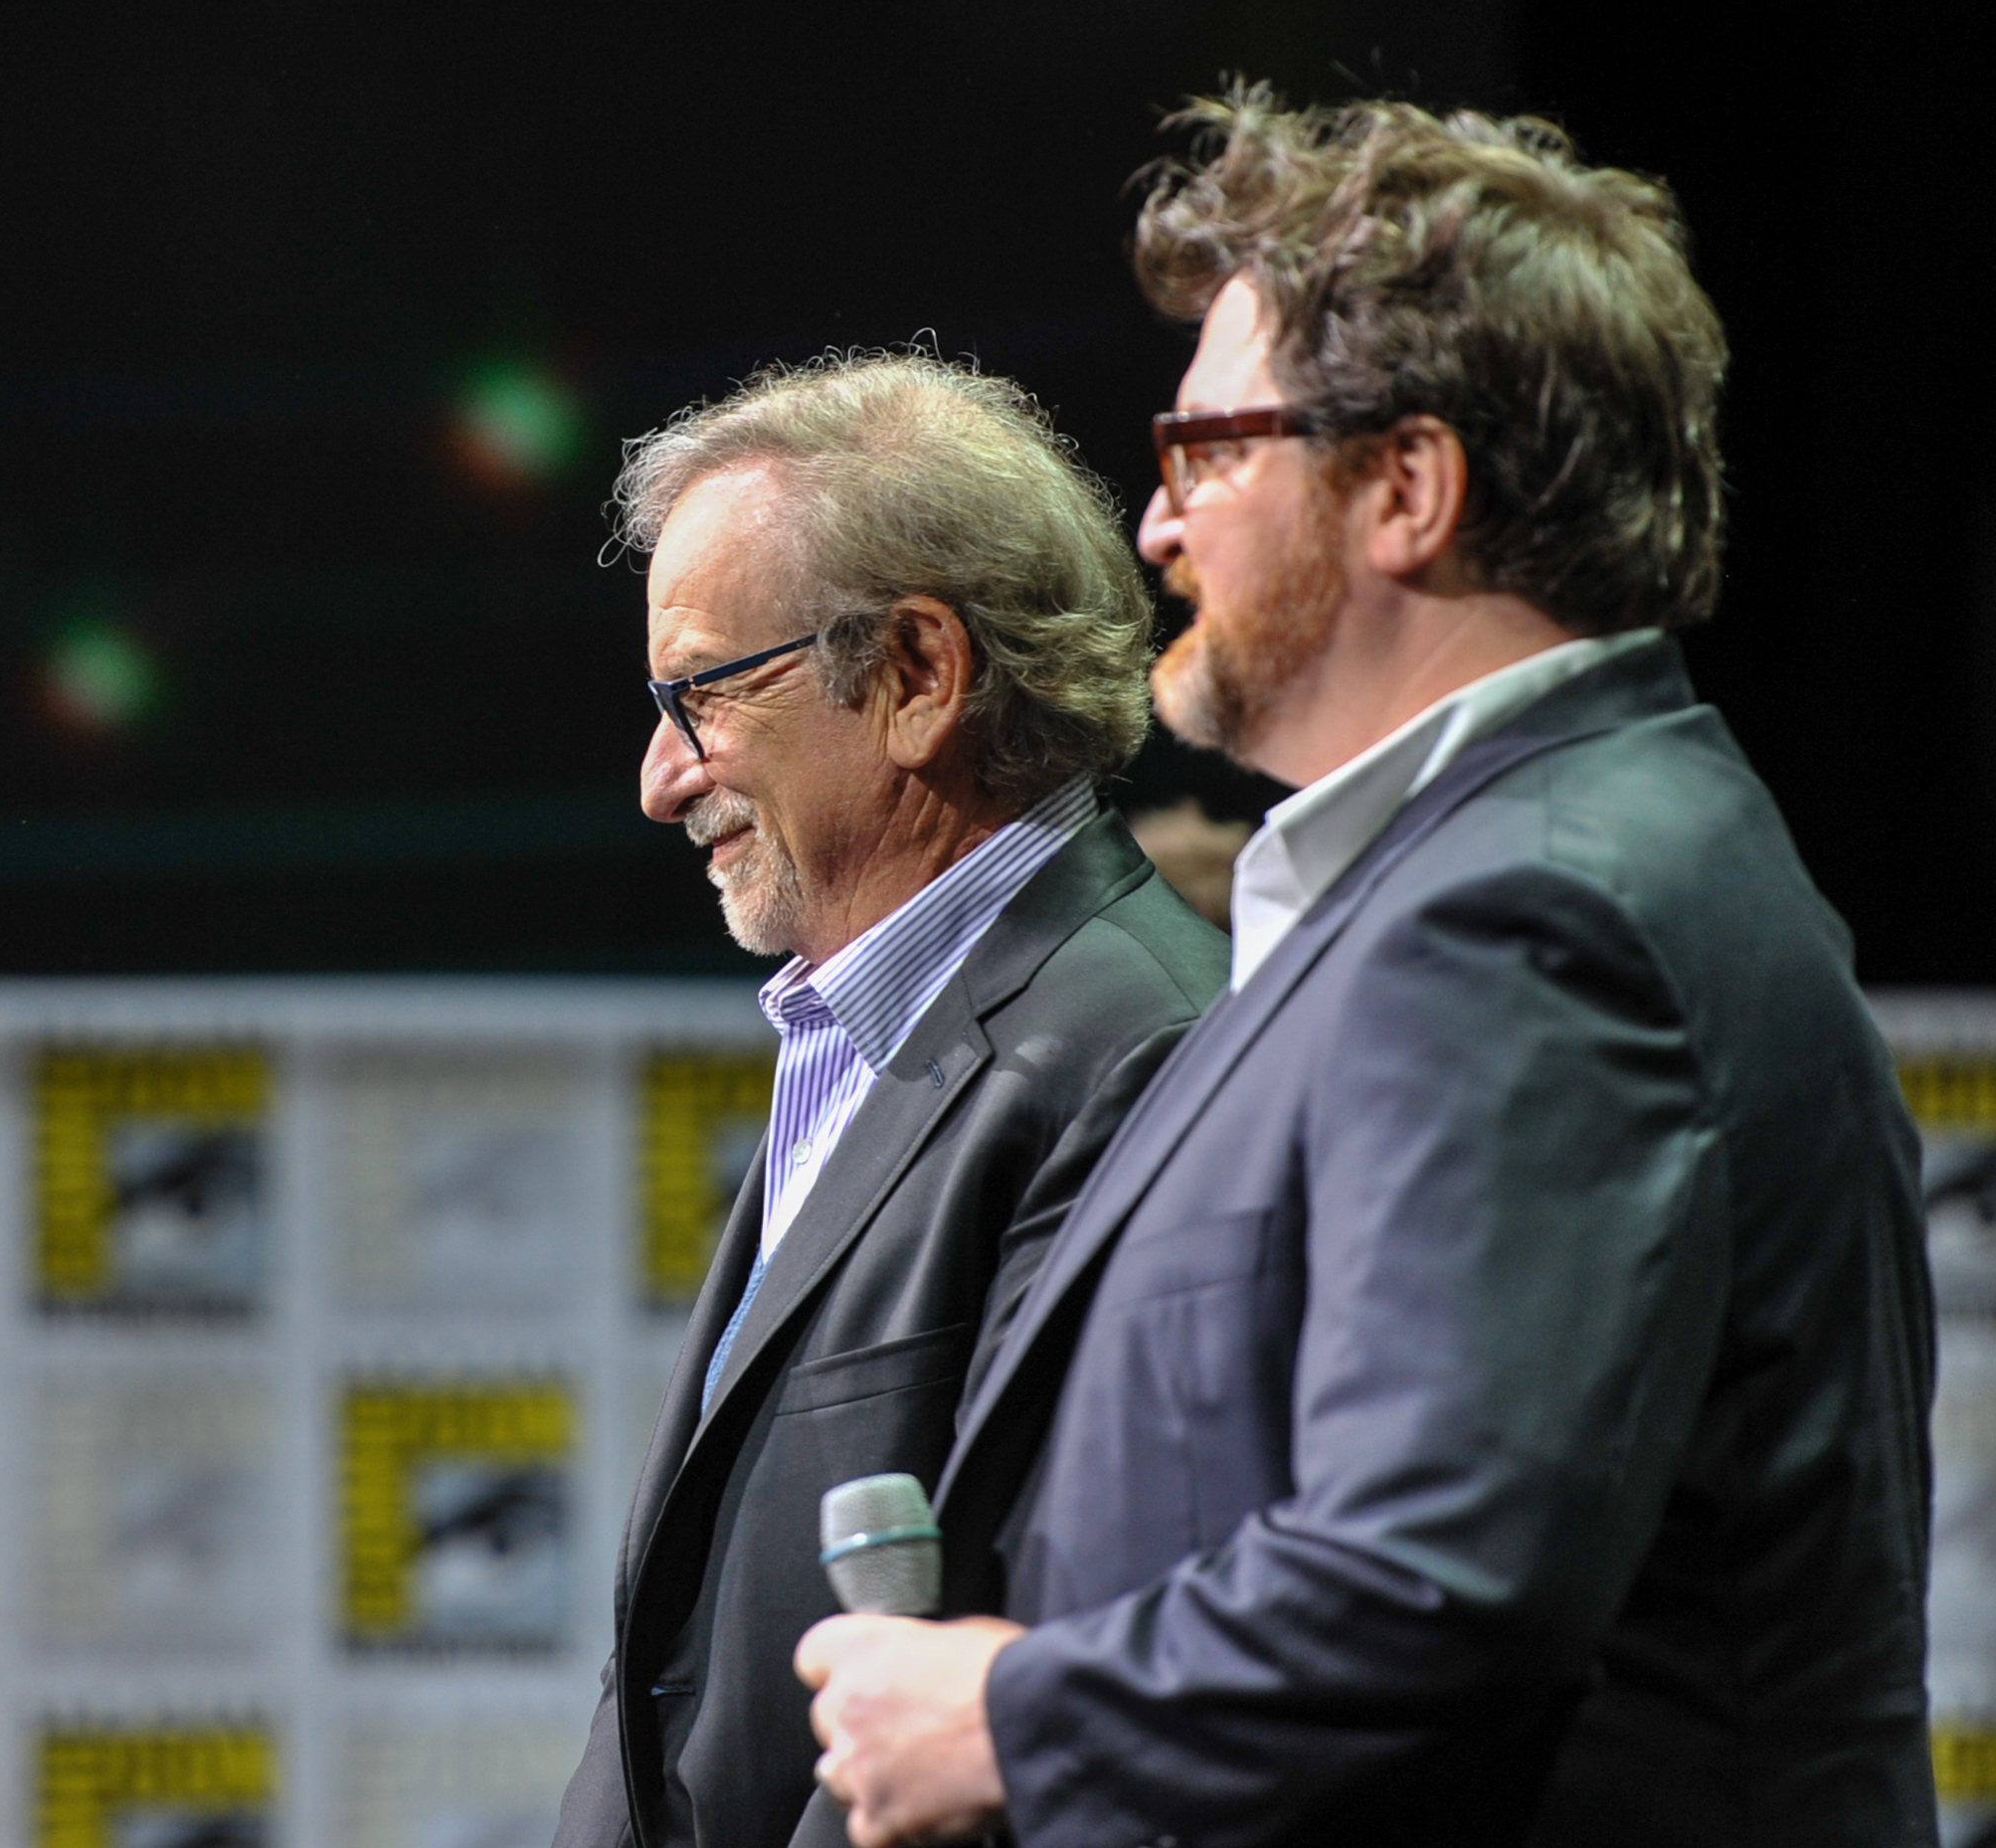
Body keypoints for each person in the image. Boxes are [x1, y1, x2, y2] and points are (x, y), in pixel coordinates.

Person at [796, 92, 1938, 1847]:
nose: (1158, 529)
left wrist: (1007, 1715)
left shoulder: (1536, 909)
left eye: (1209, 456)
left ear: (1405, 486)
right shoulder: (1513, 862)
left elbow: (1436, 1580)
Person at [555, 351, 1231, 1848]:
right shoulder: (866, 1022)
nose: (662, 777)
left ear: (920, 674)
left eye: (703, 693)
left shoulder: (1139, 1050)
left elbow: (1034, 1649)